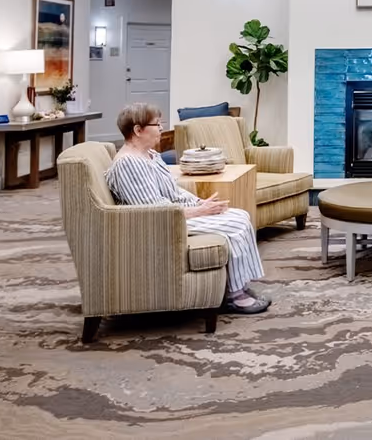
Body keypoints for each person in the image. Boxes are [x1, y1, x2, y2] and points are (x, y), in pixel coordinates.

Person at [104, 103, 270, 314]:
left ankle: (239, 286)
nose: (162, 128)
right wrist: (199, 211)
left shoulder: (150, 156)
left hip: (175, 214)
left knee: (241, 215)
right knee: (236, 225)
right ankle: (234, 296)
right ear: (138, 130)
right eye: (157, 124)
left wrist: (200, 203)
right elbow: (153, 210)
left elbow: (174, 192)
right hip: (162, 223)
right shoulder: (128, 163)